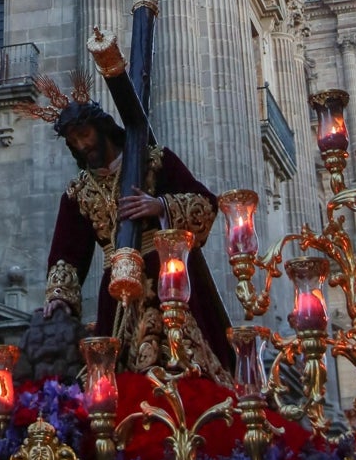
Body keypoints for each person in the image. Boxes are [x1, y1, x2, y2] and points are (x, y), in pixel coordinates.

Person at [27, 77, 235, 385]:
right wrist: (60, 297)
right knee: (118, 381)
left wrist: (161, 205)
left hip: (168, 275)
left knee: (189, 367)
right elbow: (67, 253)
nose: (83, 145)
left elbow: (205, 203)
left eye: (84, 134)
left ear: (101, 128)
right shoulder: (79, 192)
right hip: (116, 292)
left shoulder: (154, 162)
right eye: (74, 141)